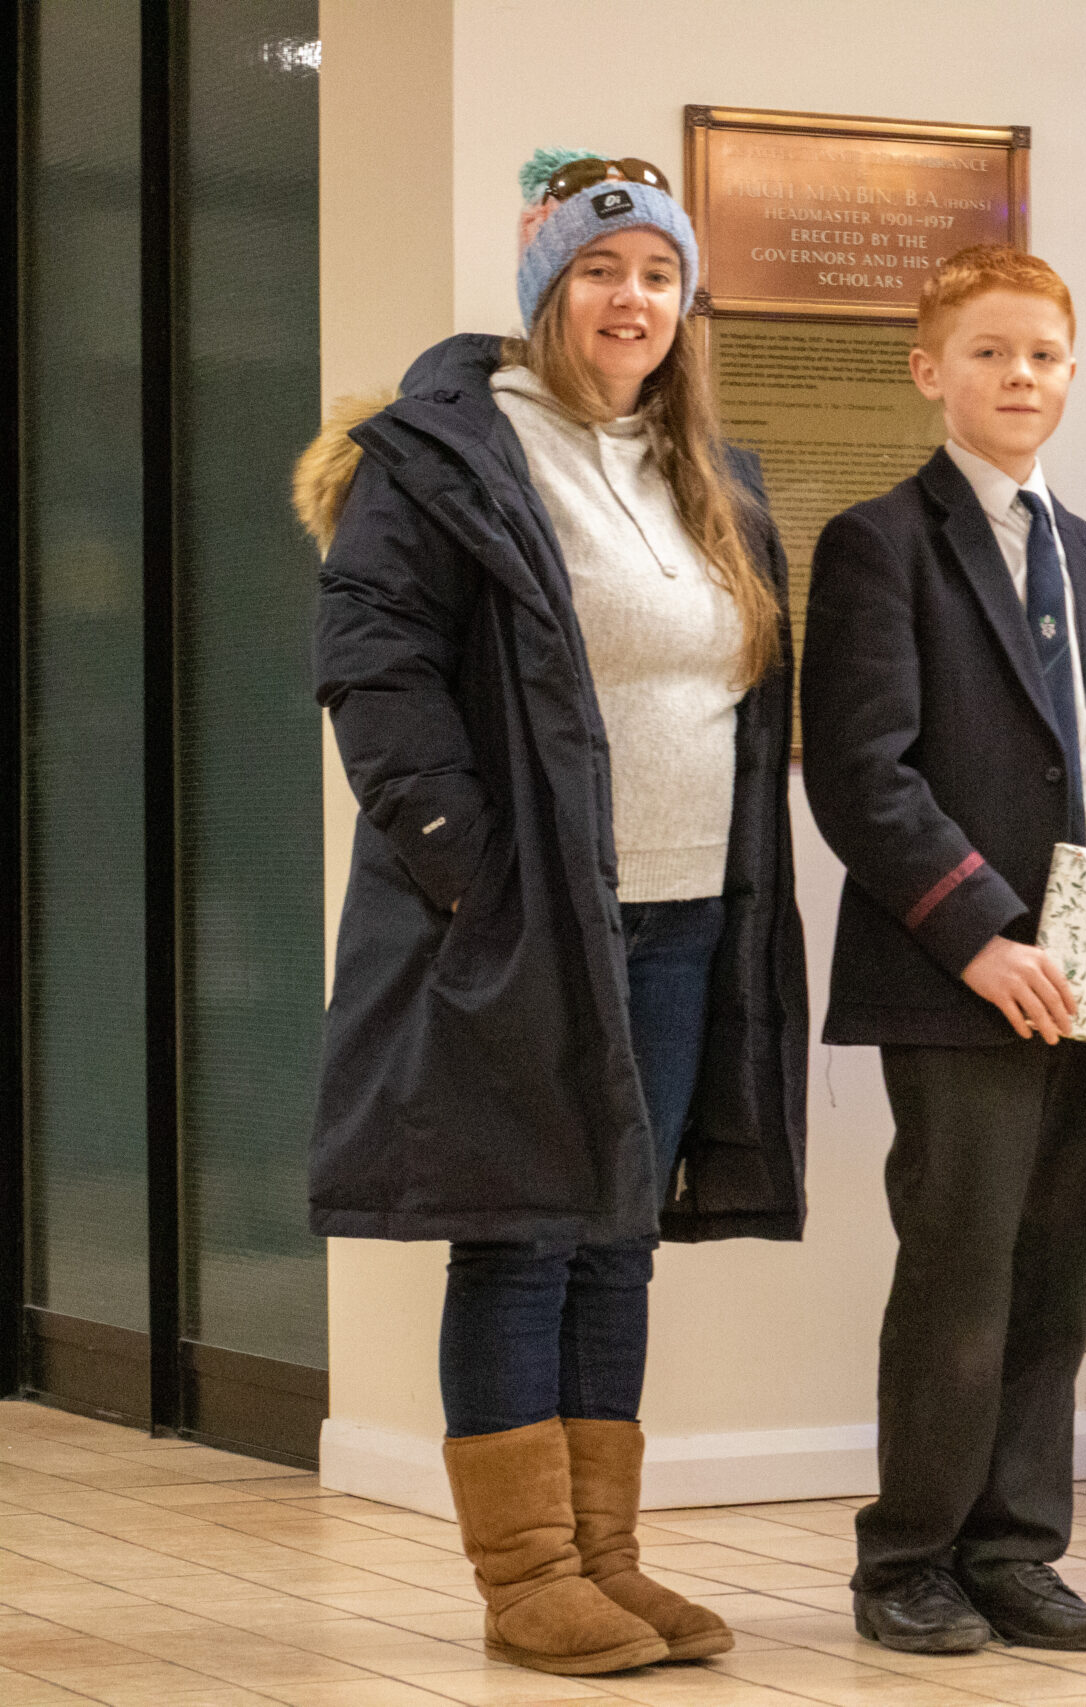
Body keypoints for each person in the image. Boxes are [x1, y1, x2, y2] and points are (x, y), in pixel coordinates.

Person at [300, 152, 805, 1675]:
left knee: (615, 1240)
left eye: (657, 274)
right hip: (528, 917)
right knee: (522, 1236)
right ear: (545, 290)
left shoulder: (709, 473)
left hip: (682, 914)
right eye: (599, 270)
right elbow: (377, 670)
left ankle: (607, 1559)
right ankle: (525, 1576)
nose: (630, 299)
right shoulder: (445, 459)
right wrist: (473, 872)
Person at [802, 246, 1086, 1656]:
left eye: (1041, 354)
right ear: (931, 371)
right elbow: (864, 773)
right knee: (960, 1267)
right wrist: (981, 936)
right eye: (988, 352)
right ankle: (909, 1554)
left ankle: (1017, 1547)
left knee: (1057, 1263)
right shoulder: (879, 545)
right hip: (957, 979)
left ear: (1071, 373)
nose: (1018, 375)